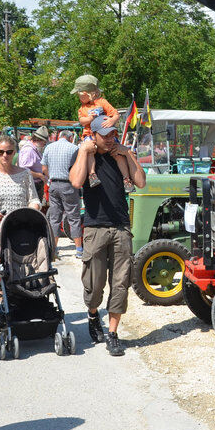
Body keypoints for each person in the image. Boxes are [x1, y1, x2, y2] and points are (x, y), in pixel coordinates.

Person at [69, 122, 146, 356]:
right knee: (94, 284)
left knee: (121, 283)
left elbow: (141, 182)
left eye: (114, 134)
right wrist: (83, 150)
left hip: (121, 227)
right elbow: (75, 181)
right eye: (105, 135)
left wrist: (129, 154)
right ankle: (93, 316)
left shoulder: (120, 154)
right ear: (93, 135)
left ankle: (113, 334)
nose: (111, 139)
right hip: (95, 227)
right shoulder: (85, 154)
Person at [72, 74, 127, 187]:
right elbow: (82, 121)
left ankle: (126, 178)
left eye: (79, 95)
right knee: (90, 151)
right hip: (90, 135)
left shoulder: (102, 102)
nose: (79, 98)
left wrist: (112, 121)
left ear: (87, 94)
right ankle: (92, 174)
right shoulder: (82, 108)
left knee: (118, 153)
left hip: (106, 133)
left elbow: (115, 114)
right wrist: (90, 118)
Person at [42, 130, 84, 258]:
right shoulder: (74, 148)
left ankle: (54, 249)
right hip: (69, 185)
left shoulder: (49, 147)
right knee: (74, 217)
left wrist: (52, 177)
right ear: (71, 138)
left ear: (59, 137)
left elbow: (44, 169)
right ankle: (79, 250)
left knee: (55, 218)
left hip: (54, 184)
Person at [0, 135, 41, 222]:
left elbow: (33, 199)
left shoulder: (25, 174)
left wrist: (30, 213)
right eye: (1, 152)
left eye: (9, 152)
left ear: (14, 152)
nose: (5, 155)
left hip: (22, 226)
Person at [18, 128, 48, 201]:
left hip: (35, 184)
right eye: (44, 142)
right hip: (32, 185)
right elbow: (23, 169)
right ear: (38, 140)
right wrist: (40, 175)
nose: (44, 145)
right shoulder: (29, 150)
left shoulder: (33, 149)